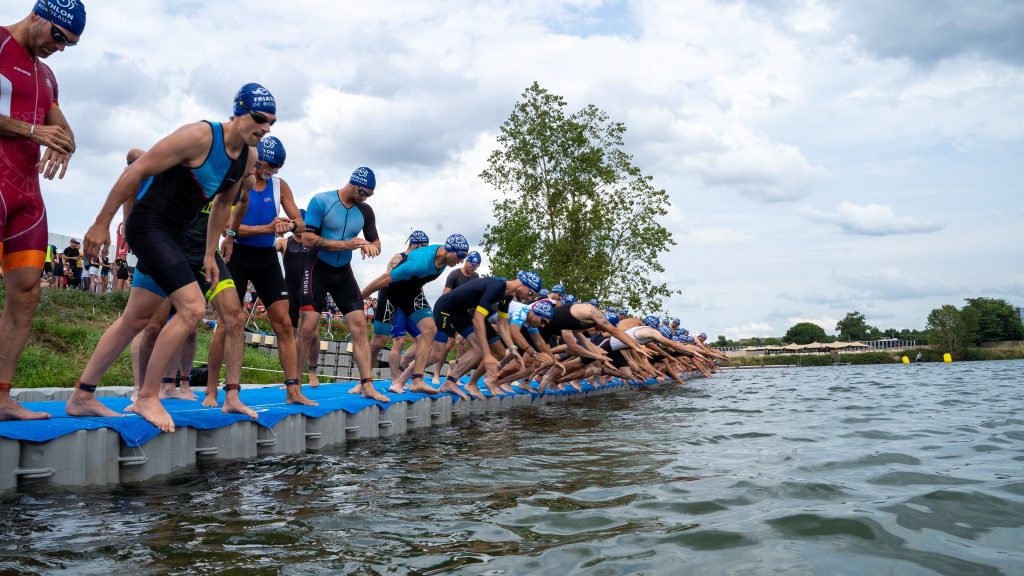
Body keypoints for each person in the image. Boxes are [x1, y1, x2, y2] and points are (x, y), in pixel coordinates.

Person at [65, 83, 274, 433]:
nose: (265, 128)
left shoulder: (248, 158)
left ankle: (82, 394)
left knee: (134, 319)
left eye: (271, 123)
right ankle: (148, 394)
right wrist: (101, 223)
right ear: (238, 112)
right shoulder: (199, 136)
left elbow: (222, 204)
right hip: (149, 226)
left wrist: (209, 252)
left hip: (174, 237)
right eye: (259, 119)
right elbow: (137, 169)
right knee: (192, 309)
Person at [0, 0, 85, 421]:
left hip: (27, 192)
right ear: (37, 15)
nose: (60, 47)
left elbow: (62, 127)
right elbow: (39, 126)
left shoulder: (47, 75)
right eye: (58, 36)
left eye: (69, 44)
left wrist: (66, 144)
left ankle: (1, 396)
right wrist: (34, 131)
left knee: (28, 291)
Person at [208, 135, 315, 406]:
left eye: (278, 167)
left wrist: (287, 225)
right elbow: (227, 230)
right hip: (237, 254)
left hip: (266, 258)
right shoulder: (239, 181)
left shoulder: (280, 186)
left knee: (284, 324)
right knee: (227, 324)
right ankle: (211, 389)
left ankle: (293, 389)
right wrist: (268, 228)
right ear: (258, 160)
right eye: (270, 166)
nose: (273, 171)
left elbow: (301, 224)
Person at [295, 167, 390, 403]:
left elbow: (375, 239)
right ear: (354, 185)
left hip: (343, 273)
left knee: (359, 327)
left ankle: (366, 385)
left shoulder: (365, 211)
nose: (366, 198)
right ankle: (294, 383)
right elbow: (308, 240)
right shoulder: (321, 201)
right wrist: (345, 245)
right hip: (317, 268)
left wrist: (372, 247)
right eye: (365, 193)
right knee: (308, 328)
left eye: (370, 195)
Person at [360, 233, 469, 394]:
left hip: (412, 293)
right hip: (392, 292)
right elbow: (385, 278)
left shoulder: (445, 258)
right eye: (461, 256)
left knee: (430, 330)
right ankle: (363, 382)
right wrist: (360, 298)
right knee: (378, 341)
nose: (461, 261)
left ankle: (417, 379)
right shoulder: (419, 263)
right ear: (449, 250)